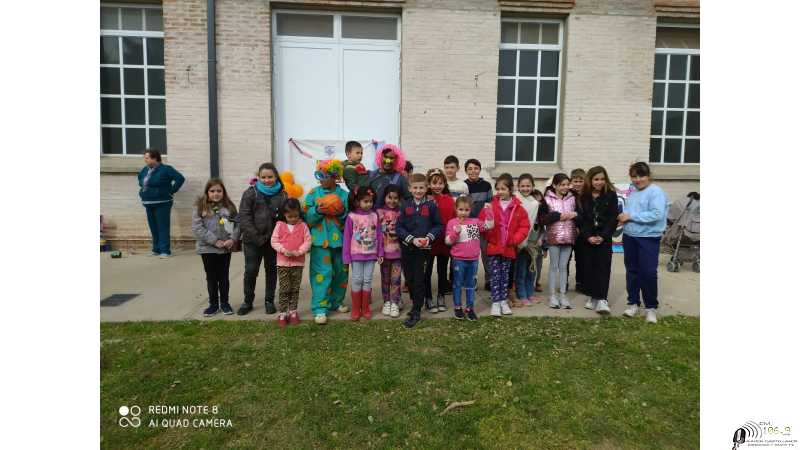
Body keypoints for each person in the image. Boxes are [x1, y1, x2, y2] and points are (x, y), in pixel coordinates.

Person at [618, 162, 670, 324]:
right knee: (632, 271)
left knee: (648, 273)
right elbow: (630, 213)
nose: (638, 179)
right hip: (630, 236)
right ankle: (633, 303)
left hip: (649, 238)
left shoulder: (656, 192)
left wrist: (630, 216)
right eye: (634, 176)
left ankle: (650, 308)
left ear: (649, 176)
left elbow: (656, 214)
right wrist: (622, 220)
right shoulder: (632, 191)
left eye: (641, 176)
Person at [237, 162, 287, 316]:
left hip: (273, 242)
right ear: (258, 177)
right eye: (263, 177)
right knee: (251, 271)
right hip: (253, 241)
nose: (266, 180)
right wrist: (257, 237)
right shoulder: (250, 193)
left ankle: (269, 301)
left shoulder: (283, 195)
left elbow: (287, 218)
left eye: (270, 177)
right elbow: (244, 218)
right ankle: (248, 301)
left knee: (271, 271)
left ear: (276, 177)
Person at [305, 159, 350, 325]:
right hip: (319, 243)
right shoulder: (312, 194)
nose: (321, 179)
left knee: (340, 273)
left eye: (325, 175)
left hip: (340, 242)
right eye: (319, 174)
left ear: (335, 176)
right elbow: (306, 218)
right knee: (321, 275)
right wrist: (317, 210)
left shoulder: (344, 195)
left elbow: (350, 220)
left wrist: (340, 212)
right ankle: (320, 308)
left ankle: (336, 301)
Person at [397, 173, 443, 328]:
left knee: (418, 279)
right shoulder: (405, 205)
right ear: (410, 188)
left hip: (423, 249)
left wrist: (428, 238)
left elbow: (438, 225)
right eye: (415, 188)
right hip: (407, 247)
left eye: (421, 187)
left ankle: (416, 310)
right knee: (409, 279)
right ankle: (415, 302)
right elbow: (399, 227)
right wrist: (411, 239)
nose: (418, 190)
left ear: (426, 188)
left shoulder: (431, 205)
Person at [481, 173, 530, 317]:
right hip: (494, 247)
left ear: (510, 189)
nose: (500, 192)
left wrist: (515, 239)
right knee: (495, 276)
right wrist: (489, 234)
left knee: (505, 276)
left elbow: (524, 226)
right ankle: (496, 302)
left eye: (503, 188)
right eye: (498, 189)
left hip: (509, 248)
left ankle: (503, 300)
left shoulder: (518, 208)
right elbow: (482, 223)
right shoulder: (490, 206)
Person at [575, 166, 620, 315]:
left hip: (604, 238)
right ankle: (593, 296)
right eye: (596, 179)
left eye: (602, 179)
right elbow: (581, 219)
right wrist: (588, 236)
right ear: (590, 180)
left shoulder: (611, 195)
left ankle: (602, 299)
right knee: (589, 268)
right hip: (587, 239)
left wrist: (604, 236)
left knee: (602, 267)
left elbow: (613, 218)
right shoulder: (583, 196)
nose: (599, 182)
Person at [191, 178, 238, 317]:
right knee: (211, 277)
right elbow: (197, 227)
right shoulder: (201, 207)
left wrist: (232, 239)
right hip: (208, 249)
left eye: (219, 191)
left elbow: (238, 224)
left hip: (225, 249)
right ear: (207, 192)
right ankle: (213, 304)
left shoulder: (229, 207)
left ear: (223, 192)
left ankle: (224, 303)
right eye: (212, 191)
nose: (216, 194)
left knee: (223, 276)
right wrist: (214, 241)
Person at [445, 196, 493, 321]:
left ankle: (470, 308)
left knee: (471, 284)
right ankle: (457, 307)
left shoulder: (474, 222)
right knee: (457, 284)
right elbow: (448, 241)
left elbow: (488, 226)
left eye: (466, 210)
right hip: (458, 260)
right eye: (460, 209)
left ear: (470, 210)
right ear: (456, 209)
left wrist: (489, 212)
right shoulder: (452, 223)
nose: (463, 212)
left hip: (473, 259)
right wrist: (456, 232)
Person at [343, 186, 383, 321]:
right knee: (357, 280)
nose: (369, 204)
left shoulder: (375, 215)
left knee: (367, 280)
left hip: (371, 255)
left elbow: (379, 235)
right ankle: (356, 308)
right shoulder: (351, 216)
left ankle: (365, 308)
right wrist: (346, 257)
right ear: (357, 202)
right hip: (356, 255)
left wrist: (380, 252)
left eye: (371, 201)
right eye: (365, 201)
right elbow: (347, 237)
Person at [538, 173, 578, 309]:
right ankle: (553, 295)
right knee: (554, 267)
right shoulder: (547, 199)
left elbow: (581, 214)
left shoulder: (573, 198)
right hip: (554, 238)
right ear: (554, 185)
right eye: (562, 185)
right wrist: (558, 216)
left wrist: (576, 214)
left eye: (567, 184)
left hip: (569, 238)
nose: (565, 187)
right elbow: (542, 219)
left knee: (563, 267)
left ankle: (563, 295)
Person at [270, 198, 312, 328]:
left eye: (296, 216)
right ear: (284, 214)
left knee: (294, 288)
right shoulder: (279, 226)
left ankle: (293, 312)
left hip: (298, 263)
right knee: (284, 288)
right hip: (283, 263)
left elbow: (308, 241)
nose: (293, 219)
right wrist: (283, 250)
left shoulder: (303, 226)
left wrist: (299, 252)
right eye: (290, 216)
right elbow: (274, 241)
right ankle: (283, 313)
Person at [137, 149, 185, 258]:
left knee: (162, 227)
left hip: (162, 202)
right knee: (153, 227)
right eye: (145, 158)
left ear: (155, 158)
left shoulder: (166, 169)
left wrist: (171, 191)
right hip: (148, 202)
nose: (145, 160)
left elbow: (180, 178)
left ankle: (165, 251)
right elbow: (140, 179)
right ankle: (156, 249)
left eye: (147, 158)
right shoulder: (145, 170)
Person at [424, 169, 455, 313]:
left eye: (440, 183)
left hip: (444, 241)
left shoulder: (449, 200)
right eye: (434, 183)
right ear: (428, 184)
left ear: (444, 184)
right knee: (427, 271)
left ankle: (441, 296)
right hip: (428, 242)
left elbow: (454, 219)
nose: (437, 186)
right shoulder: (425, 200)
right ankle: (428, 298)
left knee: (442, 271)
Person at [463, 158, 493, 290]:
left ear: (480, 170)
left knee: (486, 253)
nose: (473, 171)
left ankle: (489, 280)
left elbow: (490, 204)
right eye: (470, 168)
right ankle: (471, 280)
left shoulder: (486, 185)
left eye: (476, 168)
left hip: (484, 224)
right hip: (471, 224)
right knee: (473, 253)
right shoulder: (464, 185)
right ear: (466, 171)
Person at [513, 173, 541, 306]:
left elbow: (535, 222)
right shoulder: (514, 200)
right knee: (521, 270)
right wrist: (519, 241)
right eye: (522, 186)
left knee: (532, 269)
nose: (525, 188)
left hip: (531, 241)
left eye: (528, 186)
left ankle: (530, 293)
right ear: (518, 187)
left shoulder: (535, 203)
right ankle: (522, 294)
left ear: (533, 187)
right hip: (518, 241)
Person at [377, 185, 403, 318]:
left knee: (396, 279)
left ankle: (395, 302)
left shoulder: (401, 212)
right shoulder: (379, 212)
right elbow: (377, 234)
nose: (392, 201)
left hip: (398, 253)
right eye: (389, 197)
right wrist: (379, 252)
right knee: (385, 279)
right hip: (384, 254)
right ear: (384, 197)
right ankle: (386, 301)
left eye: (395, 198)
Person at [368, 144, 411, 209]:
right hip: (373, 216)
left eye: (391, 158)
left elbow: (409, 199)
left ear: (396, 159)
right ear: (380, 157)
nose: (388, 161)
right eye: (385, 157)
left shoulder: (400, 178)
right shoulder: (371, 175)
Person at [569, 168, 587, 294]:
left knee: (581, 259)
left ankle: (580, 282)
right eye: (575, 181)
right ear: (571, 181)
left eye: (581, 181)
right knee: (566, 258)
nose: (578, 184)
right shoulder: (568, 194)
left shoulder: (587, 195)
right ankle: (564, 281)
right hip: (569, 231)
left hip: (583, 232)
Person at [532, 189, 546, 293]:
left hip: (539, 244)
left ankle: (537, 281)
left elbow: (544, 230)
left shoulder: (543, 216)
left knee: (538, 265)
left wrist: (544, 245)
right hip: (528, 244)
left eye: (540, 202)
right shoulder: (529, 214)